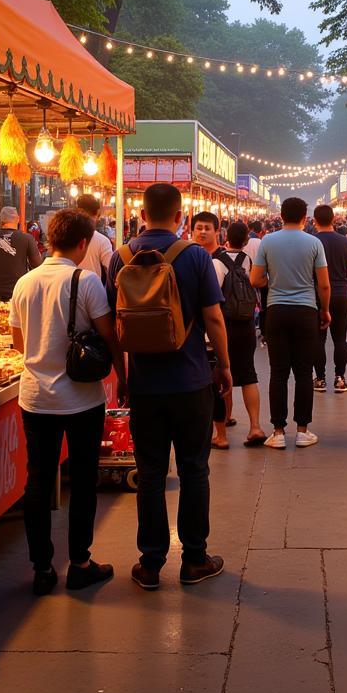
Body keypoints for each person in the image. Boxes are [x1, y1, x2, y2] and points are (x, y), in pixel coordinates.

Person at [107, 183, 231, 590]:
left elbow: (114, 325)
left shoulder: (119, 258)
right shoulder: (195, 256)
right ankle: (194, 559)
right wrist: (225, 367)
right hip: (192, 380)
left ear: (142, 214)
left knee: (150, 472)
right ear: (181, 217)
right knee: (195, 469)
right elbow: (213, 319)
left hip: (144, 385)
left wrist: (123, 377)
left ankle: (151, 562)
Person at [10, 209, 122, 596]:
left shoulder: (25, 282)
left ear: (47, 239)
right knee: (84, 480)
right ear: (83, 243)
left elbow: (18, 343)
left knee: (38, 480)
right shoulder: (86, 281)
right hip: (81, 398)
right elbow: (108, 335)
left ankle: (42, 568)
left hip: (35, 397)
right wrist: (122, 376)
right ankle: (80, 562)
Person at [249, 197, 329, 449]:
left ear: (281, 216)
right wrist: (324, 310)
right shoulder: (314, 242)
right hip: (306, 311)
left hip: (277, 312)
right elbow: (324, 284)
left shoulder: (268, 241)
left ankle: (279, 431)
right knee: (304, 372)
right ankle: (303, 431)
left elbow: (255, 279)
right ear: (306, 217)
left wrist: (271, 282)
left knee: (279, 372)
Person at [214, 221, 267, 447]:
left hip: (224, 324)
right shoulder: (248, 260)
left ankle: (222, 433)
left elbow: (213, 298)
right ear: (245, 240)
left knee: (220, 373)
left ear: (225, 238)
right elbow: (258, 283)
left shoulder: (217, 262)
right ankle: (255, 426)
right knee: (248, 373)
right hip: (245, 323)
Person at [191, 211, 236, 448]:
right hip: (196, 331)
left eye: (207, 228)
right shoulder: (191, 256)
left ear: (217, 231)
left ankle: (220, 432)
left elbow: (213, 308)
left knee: (215, 382)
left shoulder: (218, 260)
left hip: (213, 331)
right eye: (199, 227)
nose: (203, 232)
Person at [311, 204, 347, 393]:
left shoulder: (311, 241)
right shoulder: (345, 241)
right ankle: (340, 379)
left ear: (315, 220)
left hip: (316, 294)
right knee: (340, 339)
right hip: (341, 294)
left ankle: (320, 379)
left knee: (319, 339)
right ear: (334, 219)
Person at [0, 206, 44, 303]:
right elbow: (37, 264)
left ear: (1, 219)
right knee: (17, 317)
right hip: (18, 288)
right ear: (17, 219)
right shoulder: (27, 238)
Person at [76, 194, 115, 284]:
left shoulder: (66, 235)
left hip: (67, 292)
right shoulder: (102, 241)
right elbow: (110, 270)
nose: (98, 220)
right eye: (98, 216)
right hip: (93, 292)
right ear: (96, 214)